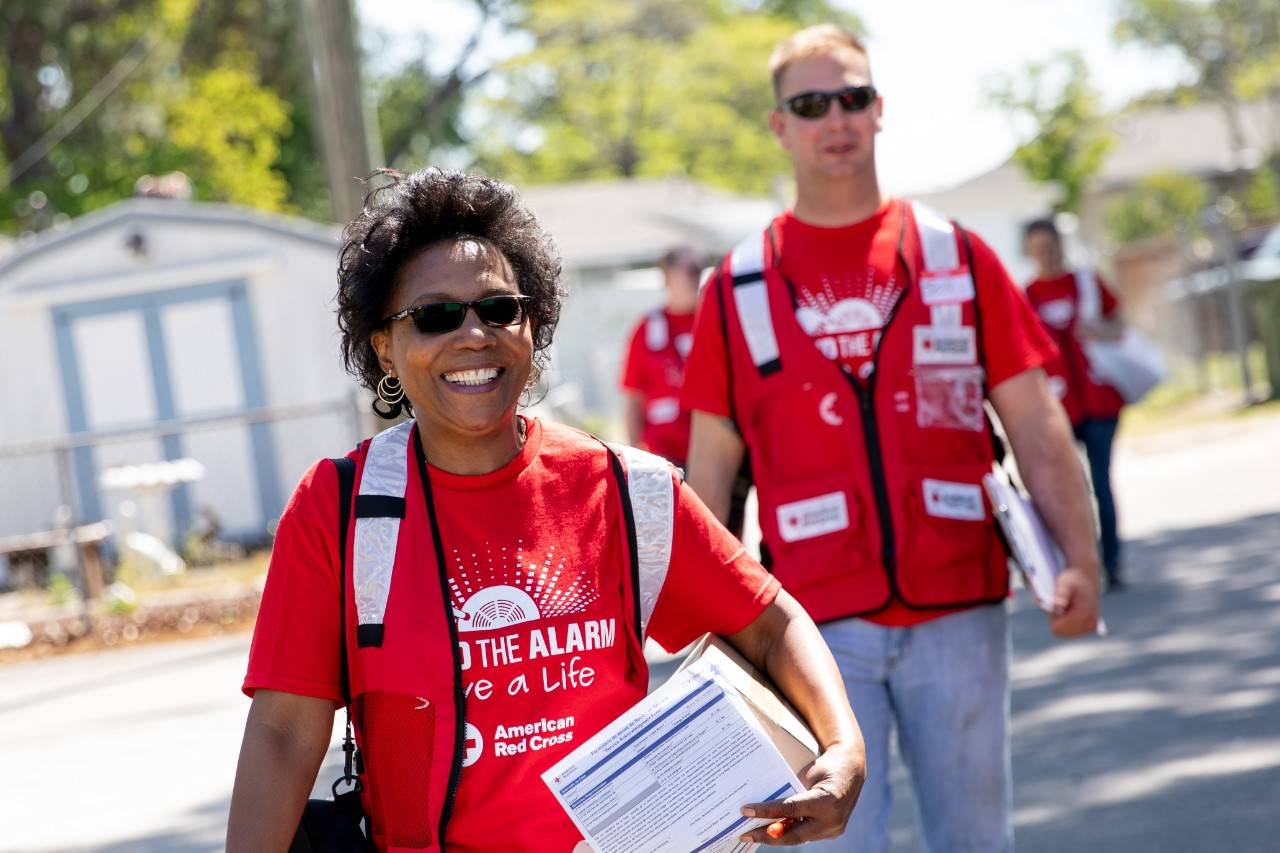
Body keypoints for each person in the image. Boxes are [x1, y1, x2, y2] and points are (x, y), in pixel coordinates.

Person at [227, 168, 866, 852]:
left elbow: (769, 623)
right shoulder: (341, 507)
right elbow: (285, 731)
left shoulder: (623, 489)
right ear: (385, 345)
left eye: (499, 309)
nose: (473, 333)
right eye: (435, 315)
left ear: (532, 326)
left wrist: (844, 746)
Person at [680, 25, 1101, 853]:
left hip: (959, 610)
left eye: (852, 98)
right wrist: (717, 636)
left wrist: (1079, 556)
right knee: (835, 844)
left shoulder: (956, 255)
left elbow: (1038, 425)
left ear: (879, 111)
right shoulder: (736, 287)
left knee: (977, 838)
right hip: (812, 630)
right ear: (780, 126)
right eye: (810, 104)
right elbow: (710, 474)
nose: (835, 118)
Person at [1023, 217, 1127, 591]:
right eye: (1038, 249)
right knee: (1070, 489)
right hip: (1058, 409)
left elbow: (1120, 324)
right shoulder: (1027, 296)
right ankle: (1079, 564)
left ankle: (1112, 562)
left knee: (1101, 483)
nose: (1046, 255)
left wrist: (1100, 331)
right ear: (1029, 252)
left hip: (1099, 402)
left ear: (1060, 245)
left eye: (1050, 246)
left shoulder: (1085, 283)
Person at [619, 245, 702, 467]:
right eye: (690, 271)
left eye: (698, 270)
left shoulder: (712, 322)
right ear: (667, 276)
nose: (696, 277)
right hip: (664, 457)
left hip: (709, 452)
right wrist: (635, 455)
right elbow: (634, 397)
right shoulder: (647, 330)